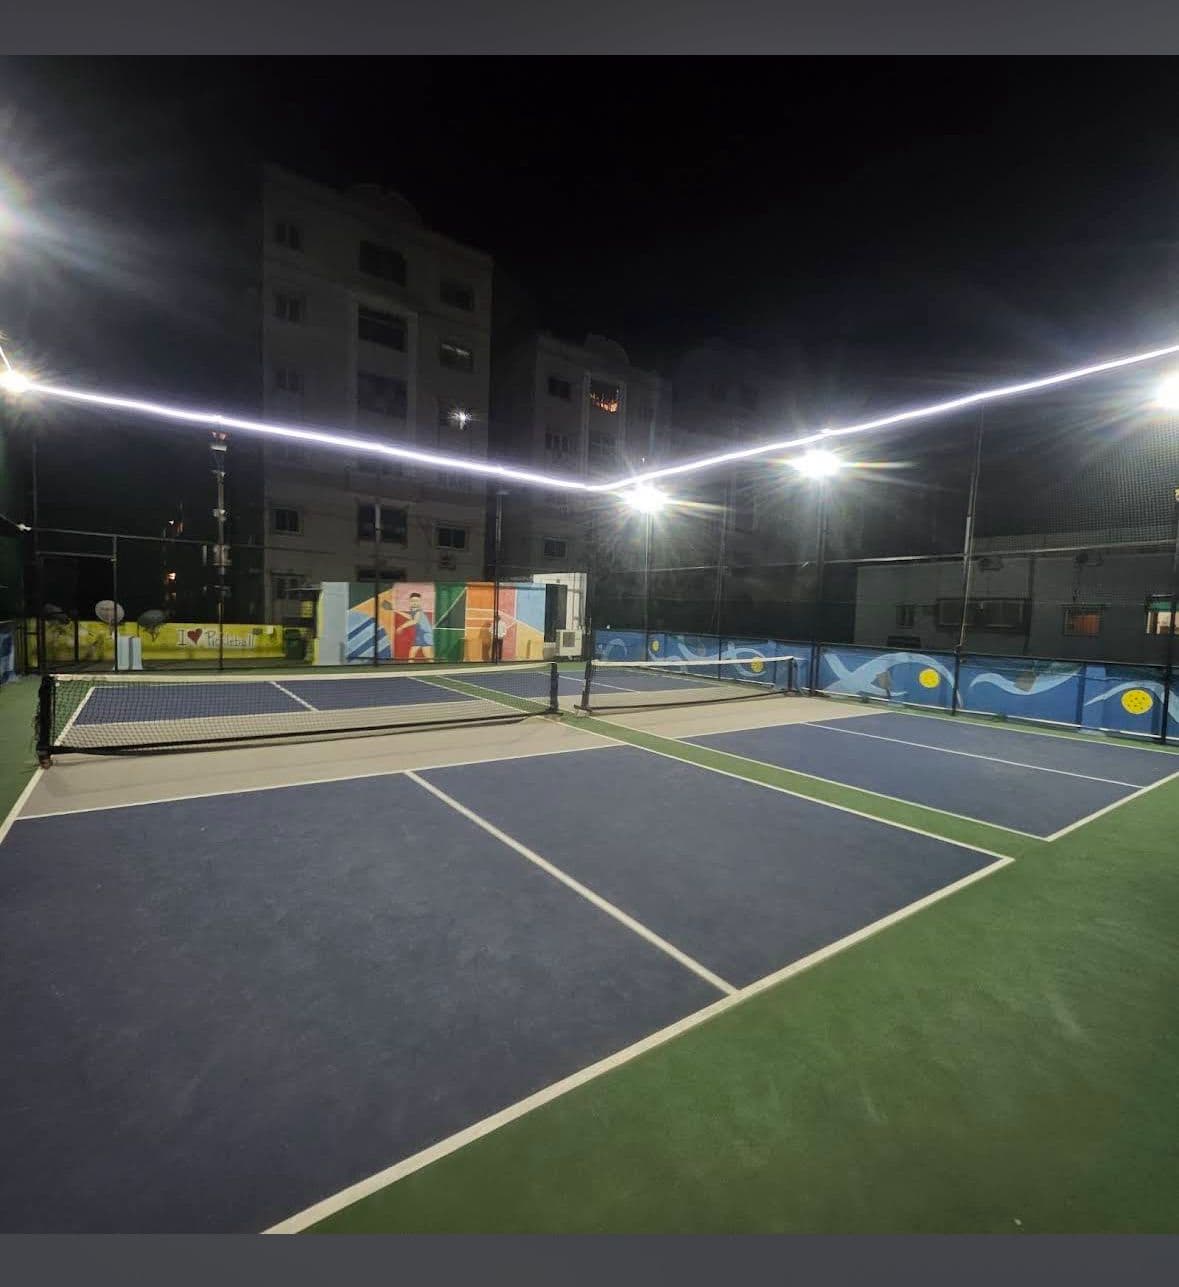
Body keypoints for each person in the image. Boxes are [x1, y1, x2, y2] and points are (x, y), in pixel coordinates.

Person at [397, 591, 435, 661]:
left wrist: (401, 627)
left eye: (416, 601)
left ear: (420, 602)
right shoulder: (414, 611)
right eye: (412, 601)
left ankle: (434, 670)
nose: (414, 602)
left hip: (425, 636)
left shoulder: (418, 611)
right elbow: (411, 617)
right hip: (419, 636)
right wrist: (398, 612)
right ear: (409, 601)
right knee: (412, 655)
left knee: (428, 657)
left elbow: (414, 621)